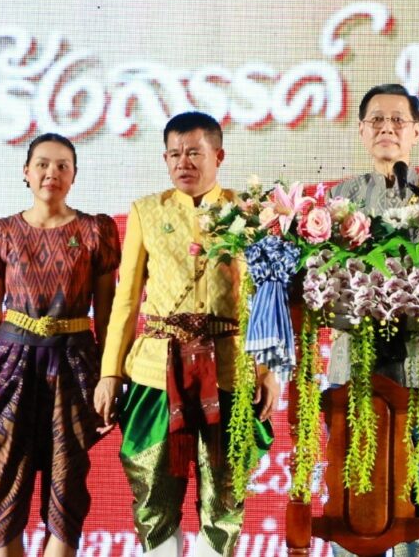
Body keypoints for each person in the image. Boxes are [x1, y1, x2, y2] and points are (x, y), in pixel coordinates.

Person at [94, 111, 279, 557]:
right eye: (174, 154)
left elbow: (266, 299)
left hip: (230, 369)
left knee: (225, 498)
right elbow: (126, 300)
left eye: (194, 152)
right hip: (156, 370)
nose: (184, 162)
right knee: (153, 494)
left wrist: (268, 370)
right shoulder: (146, 211)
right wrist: (110, 373)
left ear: (219, 155)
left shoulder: (252, 212)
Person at [326, 83, 419, 557]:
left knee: (418, 489)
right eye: (377, 120)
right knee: (354, 491)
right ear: (362, 131)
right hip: (353, 363)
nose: (387, 128)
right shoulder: (338, 200)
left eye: (398, 120)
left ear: (416, 132)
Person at [0, 133, 120, 557]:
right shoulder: (0, 232)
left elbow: (107, 318)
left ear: (74, 175)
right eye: (43, 164)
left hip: (74, 365)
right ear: (26, 172)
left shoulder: (95, 231)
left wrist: (111, 380)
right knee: (6, 485)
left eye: (62, 166)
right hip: (11, 367)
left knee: (68, 488)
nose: (52, 173)